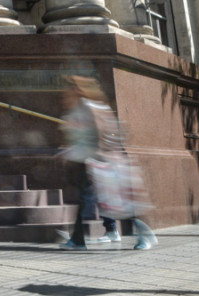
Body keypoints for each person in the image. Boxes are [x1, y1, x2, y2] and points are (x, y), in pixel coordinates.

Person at [58, 74, 156, 251]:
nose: (65, 94)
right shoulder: (79, 108)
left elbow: (99, 134)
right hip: (86, 162)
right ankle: (78, 240)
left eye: (68, 90)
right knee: (91, 201)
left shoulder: (89, 107)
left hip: (99, 162)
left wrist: (97, 157)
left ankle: (145, 233)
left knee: (118, 202)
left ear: (77, 90)